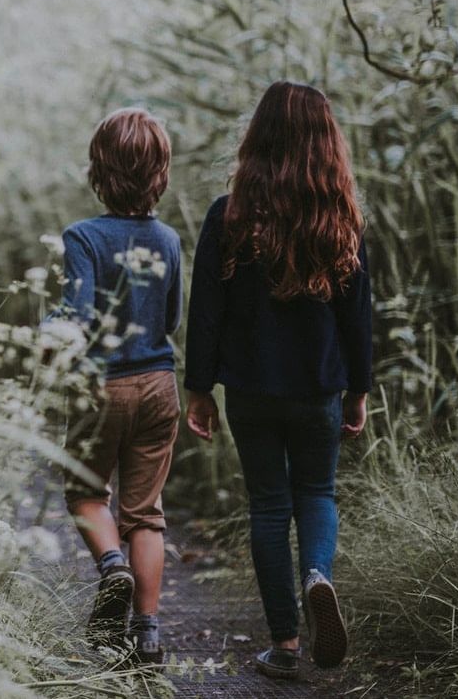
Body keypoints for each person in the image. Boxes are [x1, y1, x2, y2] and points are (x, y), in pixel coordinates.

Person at [184, 81, 372, 680]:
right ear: (326, 144)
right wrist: (359, 387)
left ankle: (286, 646)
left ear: (256, 139)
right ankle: (318, 574)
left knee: (268, 504)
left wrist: (198, 387)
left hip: (250, 389)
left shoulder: (230, 215)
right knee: (316, 493)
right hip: (317, 386)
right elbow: (358, 313)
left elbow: (205, 309)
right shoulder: (338, 217)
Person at [56, 107, 182, 665]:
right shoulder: (170, 239)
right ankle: (148, 634)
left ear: (98, 170)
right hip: (158, 385)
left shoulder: (82, 237)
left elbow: (76, 317)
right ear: (161, 173)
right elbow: (171, 318)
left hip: (100, 386)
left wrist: (48, 334)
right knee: (145, 512)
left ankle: (112, 568)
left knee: (85, 490)